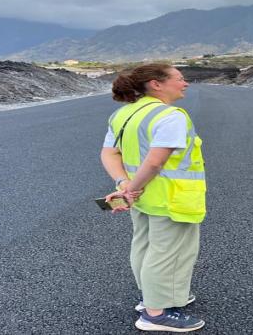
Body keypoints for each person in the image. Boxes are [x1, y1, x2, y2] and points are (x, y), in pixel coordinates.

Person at [100, 63, 207, 333]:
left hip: (142, 198)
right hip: (171, 197)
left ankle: (153, 298)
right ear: (156, 84)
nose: (186, 83)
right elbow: (155, 162)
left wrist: (124, 186)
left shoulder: (123, 114)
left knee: (145, 247)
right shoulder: (170, 116)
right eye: (180, 79)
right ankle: (156, 313)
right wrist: (131, 189)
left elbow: (109, 154)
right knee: (168, 253)